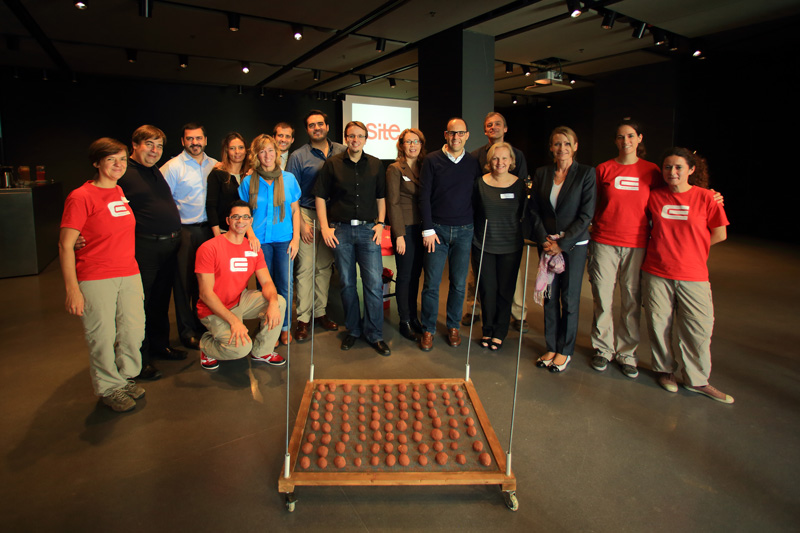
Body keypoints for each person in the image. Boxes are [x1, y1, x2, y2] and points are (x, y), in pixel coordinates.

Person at [59, 138, 145, 412]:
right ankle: (109, 386)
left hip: (129, 272)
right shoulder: (81, 196)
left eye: (122, 159)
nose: (119, 165)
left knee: (133, 330)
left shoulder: (119, 191)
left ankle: (124, 376)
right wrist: (72, 289)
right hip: (96, 276)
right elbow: (65, 244)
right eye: (111, 160)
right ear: (97, 162)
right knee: (103, 335)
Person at [642, 148, 732, 403]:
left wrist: (694, 249)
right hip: (656, 271)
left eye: (679, 167)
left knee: (698, 327)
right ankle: (665, 371)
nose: (673, 172)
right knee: (659, 324)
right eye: (668, 167)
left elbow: (720, 233)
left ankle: (697, 380)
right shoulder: (654, 197)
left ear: (691, 170)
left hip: (693, 274)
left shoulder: (706, 198)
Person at [588, 120, 662, 379]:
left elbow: (673, 195)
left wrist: (709, 195)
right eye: (620, 137)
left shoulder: (651, 171)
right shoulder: (605, 169)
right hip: (604, 241)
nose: (625, 141)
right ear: (616, 141)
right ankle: (603, 349)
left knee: (631, 300)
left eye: (630, 136)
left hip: (637, 245)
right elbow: (593, 203)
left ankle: (627, 353)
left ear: (639, 138)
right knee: (602, 297)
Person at [315, 121, 390, 356]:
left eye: (359, 136)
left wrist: (381, 224)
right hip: (341, 231)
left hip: (369, 231)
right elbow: (320, 197)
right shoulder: (332, 164)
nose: (355, 140)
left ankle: (374, 334)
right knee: (347, 284)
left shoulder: (376, 165)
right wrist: (325, 228)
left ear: (366, 138)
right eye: (351, 136)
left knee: (373, 285)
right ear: (346, 138)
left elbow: (381, 198)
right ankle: (354, 330)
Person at [117, 125, 185, 382]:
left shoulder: (154, 171)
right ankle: (139, 360)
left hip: (168, 245)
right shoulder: (123, 172)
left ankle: (159, 346)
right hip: (144, 246)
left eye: (159, 146)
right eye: (149, 144)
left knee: (159, 301)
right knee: (139, 306)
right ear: (134, 144)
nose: (155, 151)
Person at [528, 126, 596, 373]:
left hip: (573, 246)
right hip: (547, 244)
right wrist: (543, 238)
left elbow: (586, 215)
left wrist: (562, 244)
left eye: (567, 143)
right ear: (551, 148)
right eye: (557, 144)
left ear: (575, 146)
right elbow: (534, 209)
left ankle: (565, 350)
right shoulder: (543, 173)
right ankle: (551, 346)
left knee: (568, 298)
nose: (562, 148)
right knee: (549, 297)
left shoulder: (586, 174)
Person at [195, 200, 286, 370]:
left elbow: (266, 282)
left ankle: (262, 351)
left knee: (279, 301)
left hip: (239, 300)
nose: (241, 221)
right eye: (236, 217)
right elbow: (205, 294)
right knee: (240, 349)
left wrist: (272, 303)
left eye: (245, 217)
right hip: (213, 309)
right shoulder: (209, 248)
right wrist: (234, 321)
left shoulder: (253, 248)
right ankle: (207, 346)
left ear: (251, 221)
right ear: (228, 220)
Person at [418, 117, 481, 351]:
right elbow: (424, 195)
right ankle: (428, 329)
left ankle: (453, 325)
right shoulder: (432, 160)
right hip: (437, 231)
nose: (456, 137)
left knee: (458, 284)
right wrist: (428, 228)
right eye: (451, 133)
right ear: (446, 135)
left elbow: (476, 195)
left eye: (460, 133)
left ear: (467, 135)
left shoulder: (473, 162)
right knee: (432, 284)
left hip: (465, 230)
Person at [464, 112, 530, 331]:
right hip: (484, 235)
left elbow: (521, 197)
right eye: (489, 125)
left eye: (498, 124)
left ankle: (517, 313)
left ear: (505, 128)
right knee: (481, 279)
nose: (493, 127)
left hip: (508, 235)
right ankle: (476, 310)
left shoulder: (517, 155)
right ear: (485, 130)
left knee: (510, 279)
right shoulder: (475, 156)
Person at [286, 111, 345, 341]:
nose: (317, 128)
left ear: (327, 126)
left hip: (332, 218)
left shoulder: (341, 150)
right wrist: (300, 223)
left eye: (320, 124)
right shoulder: (298, 156)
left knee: (324, 267)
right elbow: (292, 194)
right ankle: (303, 319)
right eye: (312, 125)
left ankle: (320, 313)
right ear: (307, 130)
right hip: (307, 215)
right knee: (305, 268)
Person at [239, 134, 301, 346]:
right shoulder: (248, 181)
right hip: (260, 242)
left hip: (284, 240)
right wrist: (251, 236)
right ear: (256, 155)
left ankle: (284, 327)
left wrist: (296, 240)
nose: (267, 155)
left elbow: (295, 211)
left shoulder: (289, 179)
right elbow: (243, 214)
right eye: (262, 151)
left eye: (271, 150)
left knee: (284, 285)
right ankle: (269, 327)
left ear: (277, 153)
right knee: (265, 287)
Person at [161, 122, 218, 349]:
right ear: (183, 141)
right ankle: (186, 331)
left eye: (198, 138)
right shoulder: (173, 167)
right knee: (183, 283)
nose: (194, 143)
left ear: (205, 140)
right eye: (189, 139)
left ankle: (203, 323)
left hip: (209, 230)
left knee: (205, 282)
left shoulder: (215, 165)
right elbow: (163, 201)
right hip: (184, 231)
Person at [472, 143, 526, 351]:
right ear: (489, 161)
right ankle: (488, 328)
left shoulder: (519, 185)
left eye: (504, 158)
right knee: (487, 290)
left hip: (510, 246)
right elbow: (475, 211)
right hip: (483, 244)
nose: (500, 162)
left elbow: (523, 213)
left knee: (505, 290)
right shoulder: (480, 183)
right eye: (495, 158)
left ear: (511, 161)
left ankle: (500, 331)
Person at [385, 128, 426, 342]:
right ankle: (404, 321)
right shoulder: (394, 168)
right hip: (405, 230)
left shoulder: (424, 167)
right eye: (408, 141)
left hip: (422, 229)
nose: (412, 145)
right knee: (405, 276)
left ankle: (413, 316)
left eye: (416, 141)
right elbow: (393, 203)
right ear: (401, 145)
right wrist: (398, 234)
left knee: (416, 276)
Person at [206, 132, 249, 237]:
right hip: (223, 232)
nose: (237, 152)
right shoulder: (218, 174)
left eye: (240, 147)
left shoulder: (251, 174)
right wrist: (217, 237)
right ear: (226, 151)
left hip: (247, 233)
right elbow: (211, 207)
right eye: (232, 148)